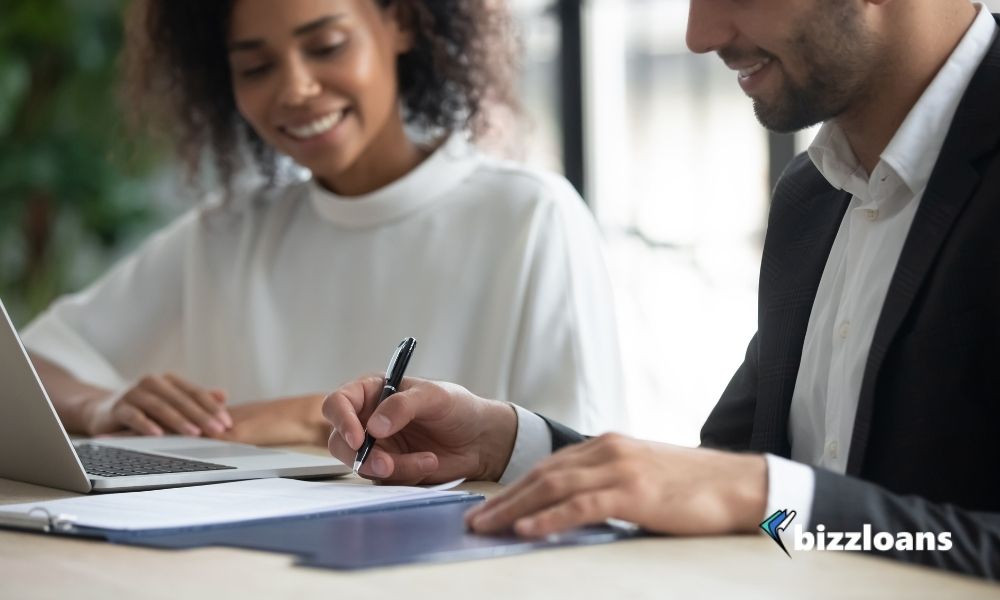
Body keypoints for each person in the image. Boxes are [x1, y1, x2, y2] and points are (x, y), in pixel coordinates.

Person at [322, 0, 1000, 579]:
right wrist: (506, 444)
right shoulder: (813, 195)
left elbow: (766, 500)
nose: (699, 34)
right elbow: (728, 489)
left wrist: (768, 495)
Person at [23, 0, 624, 448]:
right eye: (255, 67)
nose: (296, 88)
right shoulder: (226, 234)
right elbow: (23, 371)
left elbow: (577, 454)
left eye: (327, 45)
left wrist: (290, 421)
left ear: (402, 22)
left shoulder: (527, 216)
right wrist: (103, 407)